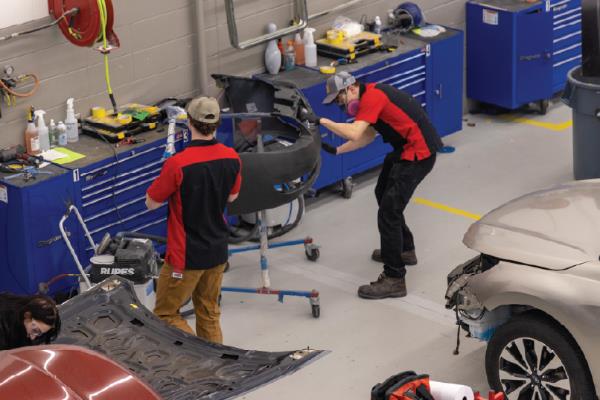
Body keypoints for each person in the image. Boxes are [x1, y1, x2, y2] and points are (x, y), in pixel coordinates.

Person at [313, 71, 442, 299]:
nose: (340, 105)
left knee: (388, 212)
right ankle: (405, 250)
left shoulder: (373, 97)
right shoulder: (369, 98)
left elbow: (354, 131)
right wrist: (335, 150)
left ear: (351, 88)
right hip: (404, 150)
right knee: (382, 192)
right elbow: (366, 137)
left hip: (418, 153)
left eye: (339, 99)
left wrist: (323, 122)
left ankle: (394, 278)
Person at [146, 96, 241, 344]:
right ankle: (215, 369)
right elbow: (232, 196)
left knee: (166, 314)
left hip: (185, 257)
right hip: (218, 250)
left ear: (189, 123)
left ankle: (198, 356)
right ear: (217, 124)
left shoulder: (177, 164)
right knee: (208, 312)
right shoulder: (232, 157)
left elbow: (152, 202)